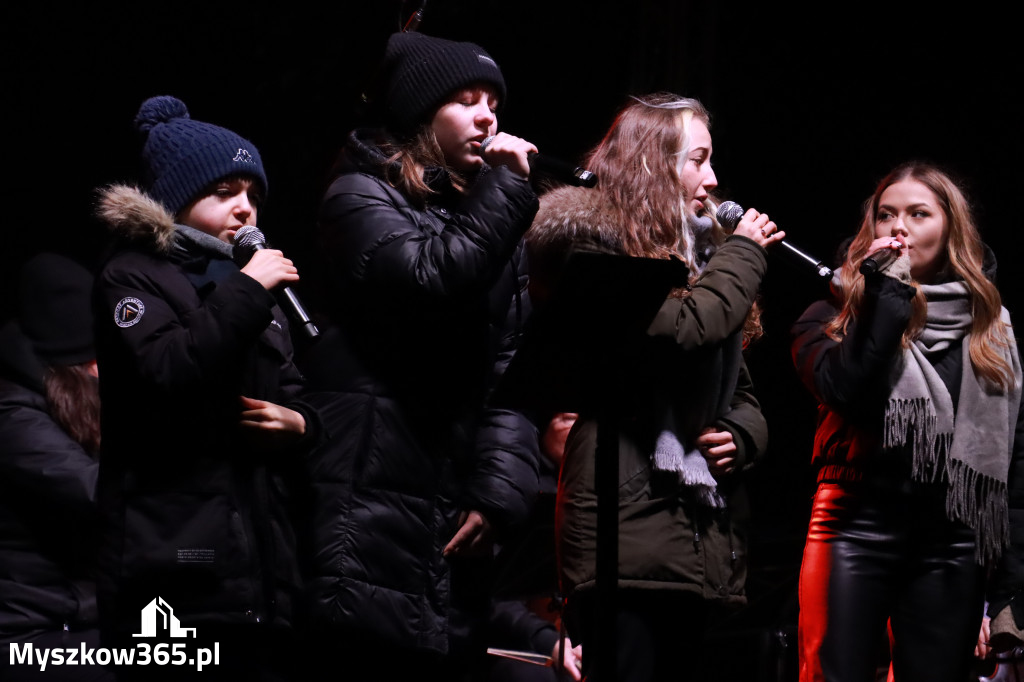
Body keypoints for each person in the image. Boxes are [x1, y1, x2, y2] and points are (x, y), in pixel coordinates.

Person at [299, 30, 541, 681]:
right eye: (467, 100)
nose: (489, 115)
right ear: (420, 112)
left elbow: (509, 371)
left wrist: (499, 493)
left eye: (494, 101)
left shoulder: (492, 219)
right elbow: (430, 278)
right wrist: (505, 193)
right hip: (365, 499)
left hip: (448, 506)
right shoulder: (357, 197)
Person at [525, 92, 781, 681]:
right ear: (650, 161)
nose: (713, 180)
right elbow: (683, 332)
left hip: (691, 528)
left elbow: (740, 392)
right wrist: (742, 253)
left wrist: (739, 436)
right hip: (626, 520)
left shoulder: (700, 262)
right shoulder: (593, 243)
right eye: (698, 160)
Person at [92, 96, 320, 681]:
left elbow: (295, 388)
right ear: (176, 198)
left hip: (263, 570)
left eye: (254, 194)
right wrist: (247, 290)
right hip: (175, 566)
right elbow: (167, 368)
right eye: (224, 192)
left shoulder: (252, 292)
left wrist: (301, 424)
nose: (246, 209)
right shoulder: (133, 275)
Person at [790, 161, 1024, 682]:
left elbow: (1010, 470)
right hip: (853, 525)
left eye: (918, 214)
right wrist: (886, 294)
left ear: (950, 229)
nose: (899, 227)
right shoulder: (831, 317)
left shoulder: (991, 330)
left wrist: (1008, 590)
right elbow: (849, 390)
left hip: (952, 539)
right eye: (886, 215)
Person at [1, 253, 113, 681]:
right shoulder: (13, 415)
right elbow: (95, 489)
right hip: (31, 636)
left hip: (74, 627)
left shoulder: (62, 407)